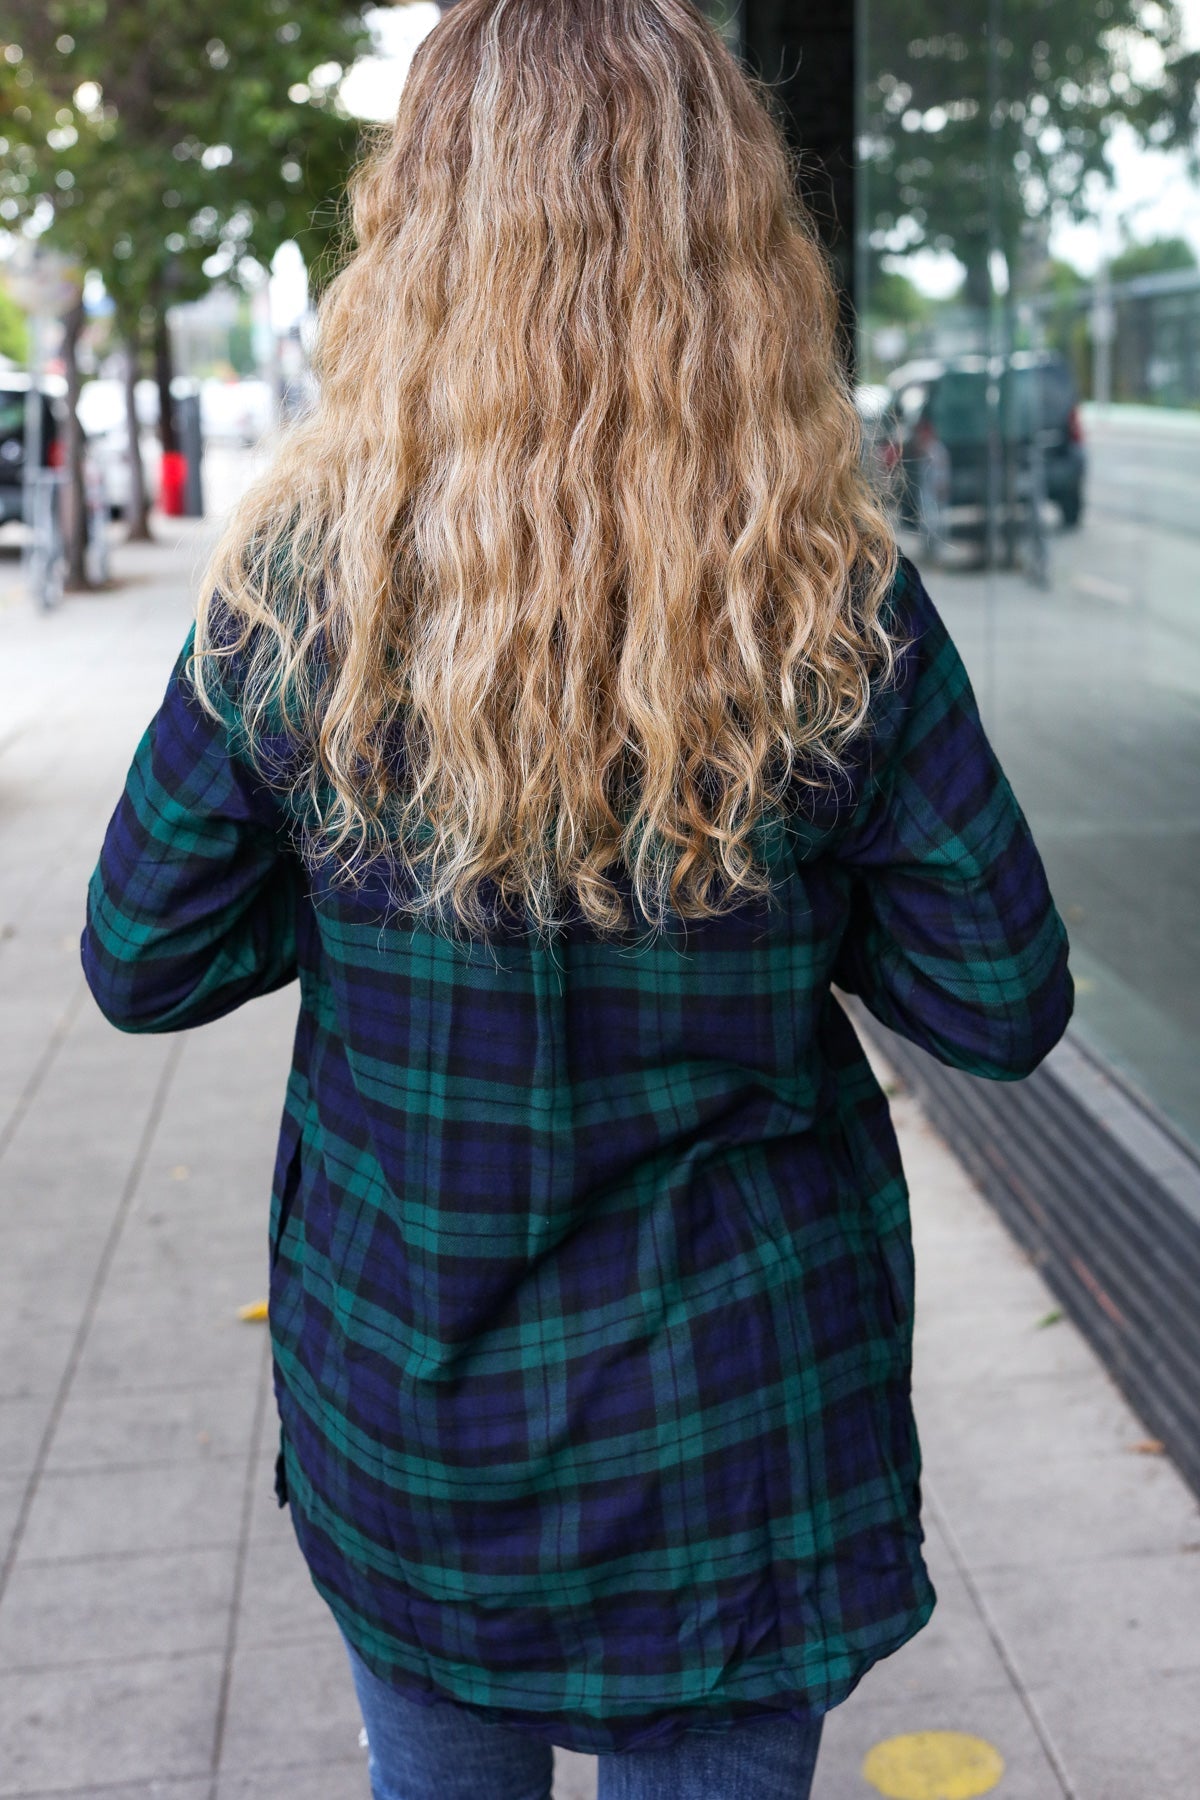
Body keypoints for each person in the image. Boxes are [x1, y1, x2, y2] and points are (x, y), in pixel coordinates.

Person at [80, 1, 1073, 1794]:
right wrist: (793, 895)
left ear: (418, 237)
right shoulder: (831, 613)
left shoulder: (310, 608)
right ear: (738, 247)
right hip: (735, 1443)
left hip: (421, 1424)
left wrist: (361, 876)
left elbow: (140, 958)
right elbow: (1004, 1003)